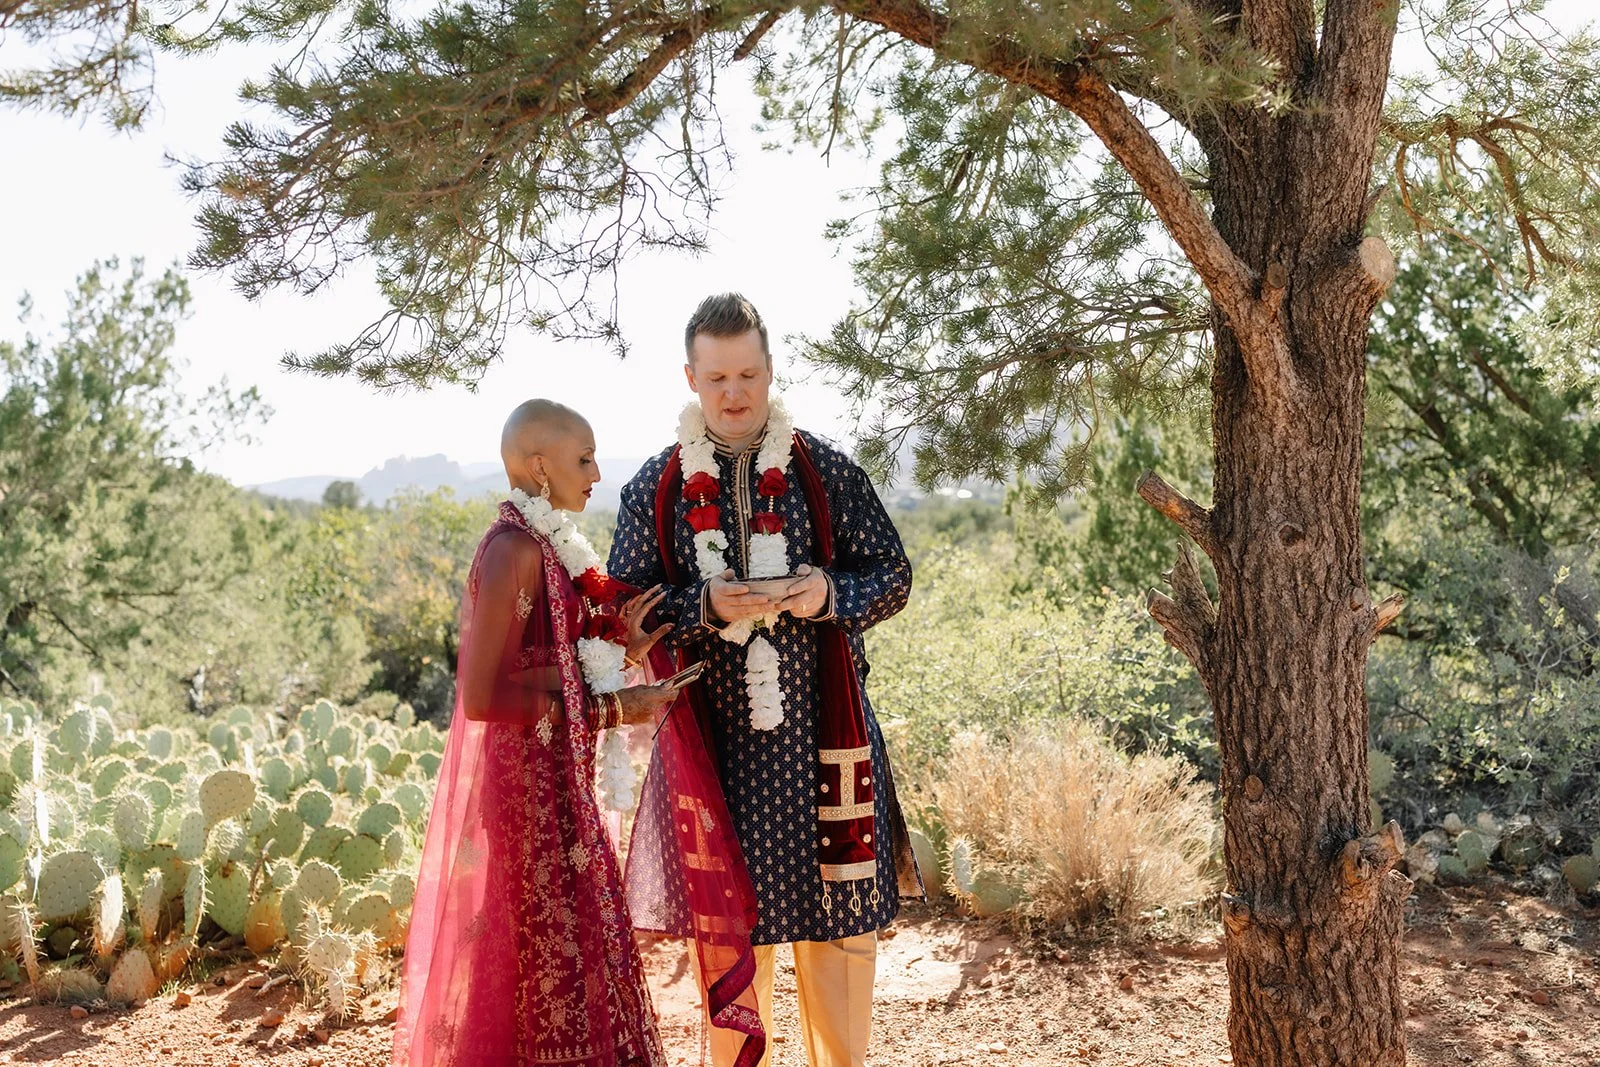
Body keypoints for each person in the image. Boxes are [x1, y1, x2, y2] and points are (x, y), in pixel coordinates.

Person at [610, 295, 921, 1067]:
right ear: (690, 377)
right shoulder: (655, 488)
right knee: (729, 933)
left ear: (771, 369)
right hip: (718, 753)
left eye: (748, 372)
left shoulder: (826, 470)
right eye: (717, 377)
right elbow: (624, 614)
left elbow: (893, 576)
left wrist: (825, 594)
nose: (734, 391)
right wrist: (703, 602)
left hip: (825, 740)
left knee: (839, 929)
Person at [393, 399, 680, 1067]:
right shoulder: (511, 552)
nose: (597, 473)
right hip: (526, 793)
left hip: (562, 781)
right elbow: (484, 693)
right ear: (538, 466)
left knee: (577, 945)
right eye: (584, 459)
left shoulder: (549, 546)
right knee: (542, 948)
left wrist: (623, 650)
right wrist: (613, 708)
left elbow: (558, 663)